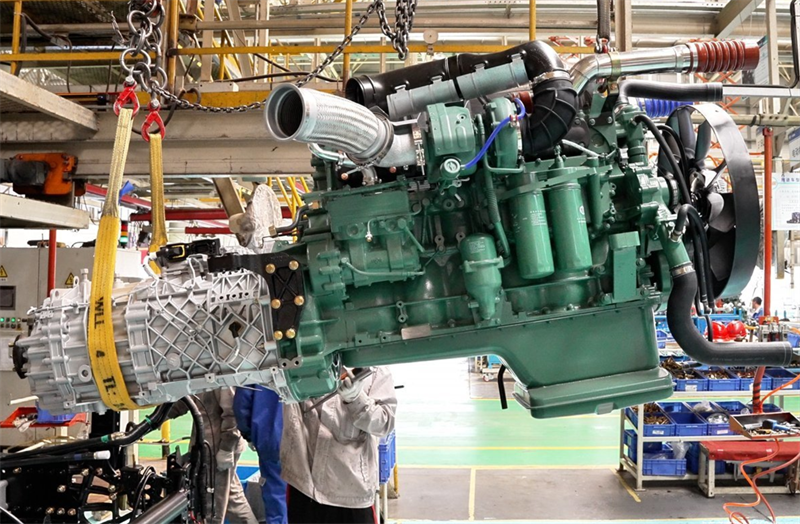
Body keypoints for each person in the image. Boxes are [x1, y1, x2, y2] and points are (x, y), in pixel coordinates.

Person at [281, 366, 397, 524]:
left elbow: (384, 423)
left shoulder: (374, 368)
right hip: (303, 484)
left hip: (350, 492)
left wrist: (356, 399)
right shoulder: (299, 358)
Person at [171, 389, 258, 524]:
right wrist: (157, 418)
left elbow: (232, 414)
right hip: (208, 444)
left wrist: (226, 448)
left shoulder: (220, 379)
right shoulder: (196, 375)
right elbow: (186, 397)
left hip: (218, 448)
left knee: (211, 505)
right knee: (232, 498)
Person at [234, 386, 287, 524]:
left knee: (277, 499)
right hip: (309, 441)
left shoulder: (252, 371)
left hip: (271, 438)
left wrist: (249, 434)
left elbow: (242, 403)